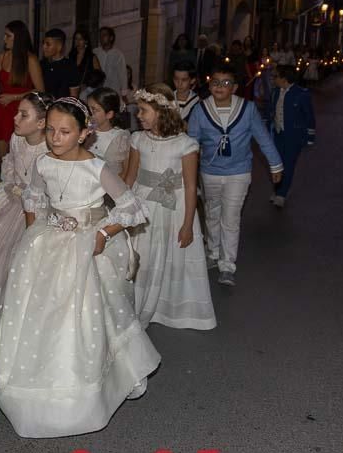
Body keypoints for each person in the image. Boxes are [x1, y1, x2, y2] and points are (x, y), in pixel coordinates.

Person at [0, 97, 160, 438]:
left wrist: (103, 231)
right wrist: (33, 234)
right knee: (39, 311)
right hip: (48, 243)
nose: (56, 138)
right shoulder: (43, 163)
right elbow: (35, 199)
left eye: (65, 131)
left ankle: (85, 389)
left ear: (85, 133)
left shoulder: (95, 168)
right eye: (51, 130)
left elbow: (131, 207)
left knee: (82, 313)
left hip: (85, 246)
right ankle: (34, 383)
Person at [126, 86, 215, 331]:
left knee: (167, 255)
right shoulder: (137, 139)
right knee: (141, 256)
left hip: (171, 209)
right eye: (138, 110)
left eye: (144, 111)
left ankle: (165, 307)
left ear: (162, 111)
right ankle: (136, 305)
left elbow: (189, 186)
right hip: (142, 204)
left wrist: (187, 225)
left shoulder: (185, 144)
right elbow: (129, 177)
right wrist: (120, 208)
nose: (139, 115)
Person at [187, 61, 283, 287]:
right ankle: (213, 252)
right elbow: (190, 143)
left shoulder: (247, 109)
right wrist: (187, 171)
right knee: (212, 213)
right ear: (209, 85)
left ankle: (227, 265)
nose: (220, 87)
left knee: (230, 218)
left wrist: (276, 165)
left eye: (226, 83)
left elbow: (263, 138)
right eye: (216, 82)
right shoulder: (200, 110)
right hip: (209, 172)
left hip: (239, 173)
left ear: (235, 87)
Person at [0, 91, 49, 309]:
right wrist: (10, 184)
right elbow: (10, 164)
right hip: (12, 201)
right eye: (18, 113)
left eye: (23, 115)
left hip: (38, 208)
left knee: (18, 261)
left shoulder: (50, 148)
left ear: (41, 123)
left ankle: (16, 308)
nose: (15, 118)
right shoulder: (16, 138)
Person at [0, 20, 44, 165]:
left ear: (18, 37)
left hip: (22, 109)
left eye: (8, 36)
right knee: (3, 160)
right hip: (2, 109)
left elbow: (40, 90)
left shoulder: (30, 59)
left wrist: (14, 97)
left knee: (21, 157)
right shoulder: (3, 56)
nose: (4, 39)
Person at [268, 64, 316, 208]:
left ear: (284, 78)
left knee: (288, 165)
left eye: (275, 76)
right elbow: (270, 111)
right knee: (277, 164)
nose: (273, 79)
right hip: (278, 134)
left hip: (293, 136)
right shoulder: (275, 92)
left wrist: (310, 137)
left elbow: (309, 117)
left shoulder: (301, 94)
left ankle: (282, 194)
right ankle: (277, 191)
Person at [87, 86, 132, 180]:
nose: (89, 113)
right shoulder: (86, 131)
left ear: (109, 114)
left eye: (94, 110)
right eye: (88, 109)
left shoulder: (121, 137)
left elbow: (126, 170)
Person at [40, 28, 81, 98]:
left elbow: (74, 97)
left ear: (59, 46)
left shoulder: (70, 66)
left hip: (62, 107)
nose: (44, 47)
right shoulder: (41, 64)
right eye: (43, 43)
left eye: (48, 44)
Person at [94, 26, 129, 103]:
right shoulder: (95, 52)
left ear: (111, 38)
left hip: (113, 90)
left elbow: (122, 74)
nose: (102, 37)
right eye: (100, 35)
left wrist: (124, 94)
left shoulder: (118, 55)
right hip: (97, 90)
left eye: (104, 35)